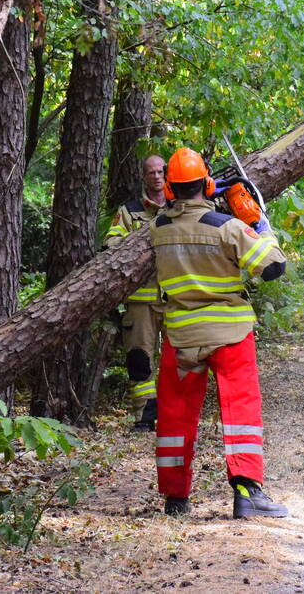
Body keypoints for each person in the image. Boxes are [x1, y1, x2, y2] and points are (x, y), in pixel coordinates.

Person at [151, 147, 289, 519]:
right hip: (229, 334)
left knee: (174, 416)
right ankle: (247, 493)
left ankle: (176, 500)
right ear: (207, 184)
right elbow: (273, 267)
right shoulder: (226, 227)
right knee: (240, 409)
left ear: (169, 189)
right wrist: (261, 226)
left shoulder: (158, 230)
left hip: (180, 337)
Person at [105, 155, 167, 433]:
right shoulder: (129, 211)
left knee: (183, 359)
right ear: (143, 176)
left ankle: (176, 414)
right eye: (151, 172)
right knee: (140, 360)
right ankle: (144, 417)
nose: (156, 176)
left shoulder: (182, 206)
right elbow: (111, 242)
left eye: (161, 171)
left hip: (177, 297)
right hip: (141, 300)